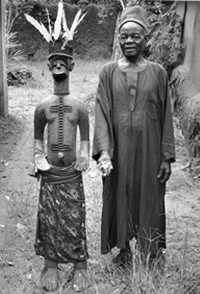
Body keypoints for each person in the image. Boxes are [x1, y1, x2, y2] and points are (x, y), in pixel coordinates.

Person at [93, 5, 175, 268]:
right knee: (119, 193)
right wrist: (105, 152)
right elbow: (102, 112)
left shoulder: (158, 73)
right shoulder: (107, 72)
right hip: (118, 151)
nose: (129, 41)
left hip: (150, 150)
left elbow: (165, 116)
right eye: (124, 36)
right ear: (119, 38)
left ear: (145, 39)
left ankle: (150, 249)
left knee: (149, 195)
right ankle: (123, 249)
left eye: (135, 36)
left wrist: (166, 156)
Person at [26, 2, 90, 292]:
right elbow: (38, 140)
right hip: (50, 174)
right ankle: (50, 264)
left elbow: (86, 139)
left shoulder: (80, 107)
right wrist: (38, 158)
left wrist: (86, 156)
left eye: (63, 61)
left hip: (71, 174)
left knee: (75, 217)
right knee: (50, 217)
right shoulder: (42, 107)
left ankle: (80, 266)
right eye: (54, 62)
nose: (58, 66)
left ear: (72, 65)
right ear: (48, 66)